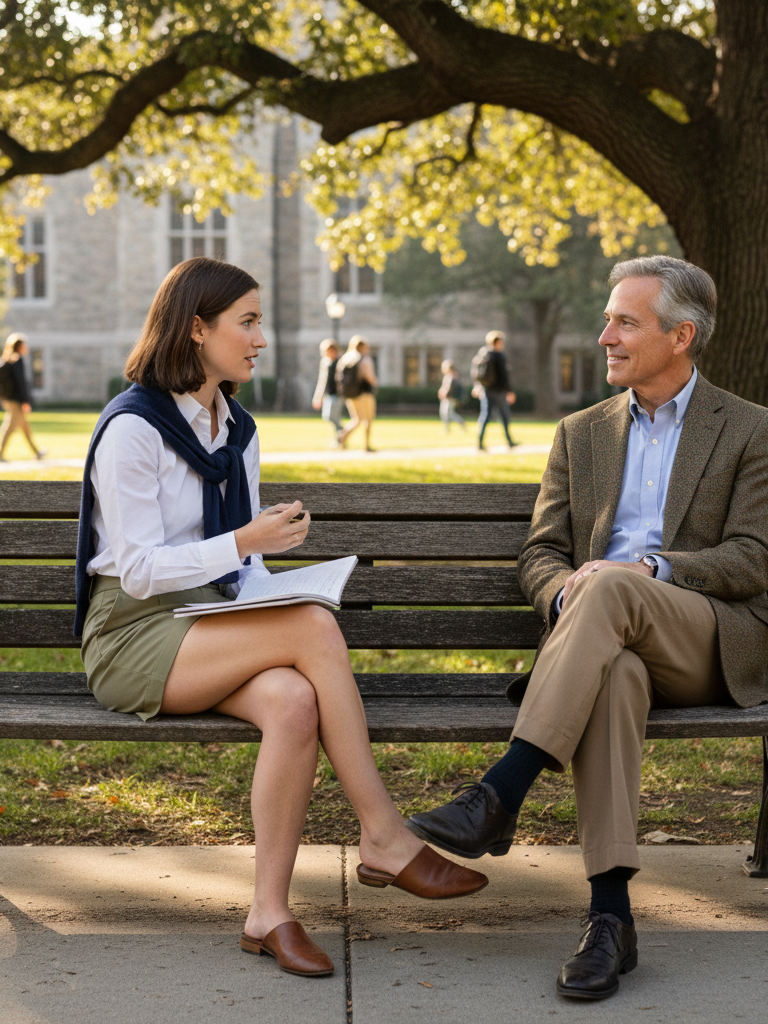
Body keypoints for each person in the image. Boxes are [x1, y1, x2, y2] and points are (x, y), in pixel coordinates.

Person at [74, 257, 487, 979]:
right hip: (131, 634)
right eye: (248, 322)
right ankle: (385, 835)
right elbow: (136, 569)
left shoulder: (237, 430)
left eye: (259, 322)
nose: (261, 338)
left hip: (207, 623)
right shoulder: (133, 428)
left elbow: (244, 572)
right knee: (314, 627)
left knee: (295, 701)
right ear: (196, 329)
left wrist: (264, 573)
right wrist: (243, 542)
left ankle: (268, 914)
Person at [406, 256, 768, 1000]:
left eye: (625, 322)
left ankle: (502, 790)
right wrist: (564, 594)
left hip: (706, 640)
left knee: (611, 583)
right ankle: (610, 918)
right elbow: (541, 553)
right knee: (614, 669)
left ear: (681, 336)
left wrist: (653, 570)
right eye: (607, 320)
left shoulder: (750, 428)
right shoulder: (581, 432)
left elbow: (753, 556)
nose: (605, 336)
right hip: (603, 641)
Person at [0, 333, 46, 461]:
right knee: (10, 427)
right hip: (15, 400)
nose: (26, 347)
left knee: (24, 426)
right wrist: (25, 401)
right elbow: (21, 383)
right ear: (19, 346)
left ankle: (37, 452)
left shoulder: (7, 359)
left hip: (8, 399)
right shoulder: (17, 360)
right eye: (24, 345)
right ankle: (0, 453)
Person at [472, 330, 517, 450]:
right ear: (497, 342)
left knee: (485, 416)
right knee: (504, 416)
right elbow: (504, 376)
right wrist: (509, 391)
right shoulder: (499, 356)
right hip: (498, 391)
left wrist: (477, 385)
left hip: (486, 390)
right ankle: (509, 441)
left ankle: (480, 442)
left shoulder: (484, 354)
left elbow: (478, 374)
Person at [336, 334, 378, 451]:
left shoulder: (345, 358)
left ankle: (342, 437)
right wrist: (375, 383)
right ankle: (366, 444)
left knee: (356, 419)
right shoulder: (364, 359)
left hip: (350, 394)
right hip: (364, 392)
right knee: (368, 419)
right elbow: (369, 376)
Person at [311, 338, 344, 446]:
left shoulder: (340, 361)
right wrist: (318, 397)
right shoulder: (325, 363)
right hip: (329, 394)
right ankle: (342, 435)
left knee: (333, 416)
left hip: (338, 394)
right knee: (328, 416)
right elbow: (322, 381)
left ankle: (341, 437)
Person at [437, 359, 466, 433]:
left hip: (450, 398)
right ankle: (447, 428)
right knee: (444, 413)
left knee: (449, 414)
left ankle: (461, 423)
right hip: (446, 398)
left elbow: (451, 388)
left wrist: (445, 393)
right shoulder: (447, 376)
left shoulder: (453, 376)